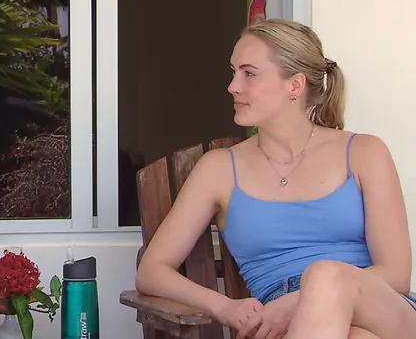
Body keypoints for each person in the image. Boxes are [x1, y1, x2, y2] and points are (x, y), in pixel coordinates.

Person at [135, 19, 416, 339]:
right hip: (282, 326)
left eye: (249, 73)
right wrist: (226, 307)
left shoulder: (364, 153)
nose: (233, 86)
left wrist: (299, 301)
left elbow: (396, 275)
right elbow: (152, 271)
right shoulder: (219, 169)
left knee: (326, 276)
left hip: (382, 310)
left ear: (294, 85)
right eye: (234, 72)